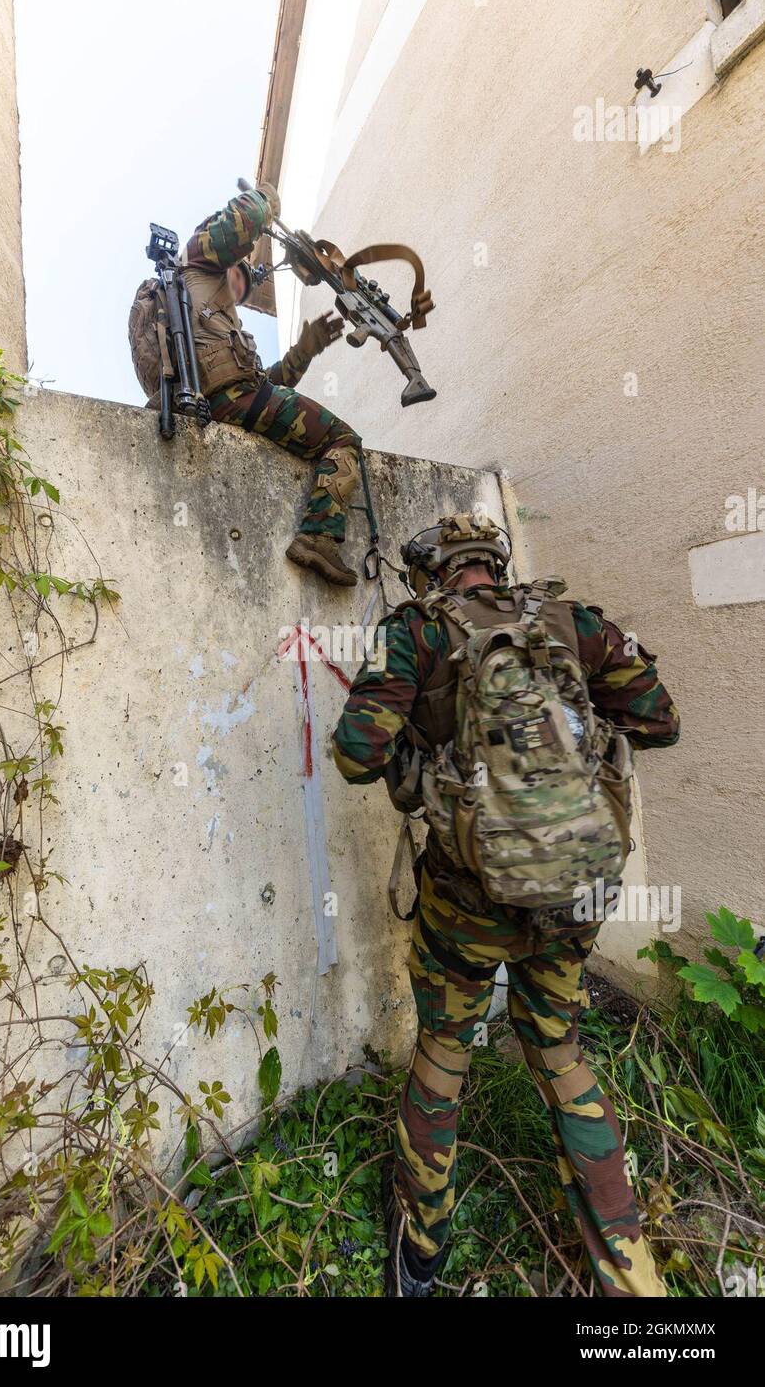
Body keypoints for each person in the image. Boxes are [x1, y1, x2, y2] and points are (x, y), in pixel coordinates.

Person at [332, 513, 681, 1297]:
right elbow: (661, 721)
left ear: (433, 573)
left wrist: (429, 768)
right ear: (496, 562)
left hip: (467, 902)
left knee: (445, 1052)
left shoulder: (415, 633)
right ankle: (631, 1275)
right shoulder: (575, 623)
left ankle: (419, 1256)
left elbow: (358, 754)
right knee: (560, 1052)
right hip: (576, 891)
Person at [129, 182, 364, 586]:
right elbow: (245, 218)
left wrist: (303, 352)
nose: (239, 288)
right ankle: (318, 536)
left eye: (243, 288)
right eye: (236, 277)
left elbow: (263, 386)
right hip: (230, 401)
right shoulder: (197, 261)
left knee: (285, 408)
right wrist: (266, 201)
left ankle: (317, 537)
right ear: (227, 263)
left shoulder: (208, 314)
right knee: (343, 440)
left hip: (230, 402)